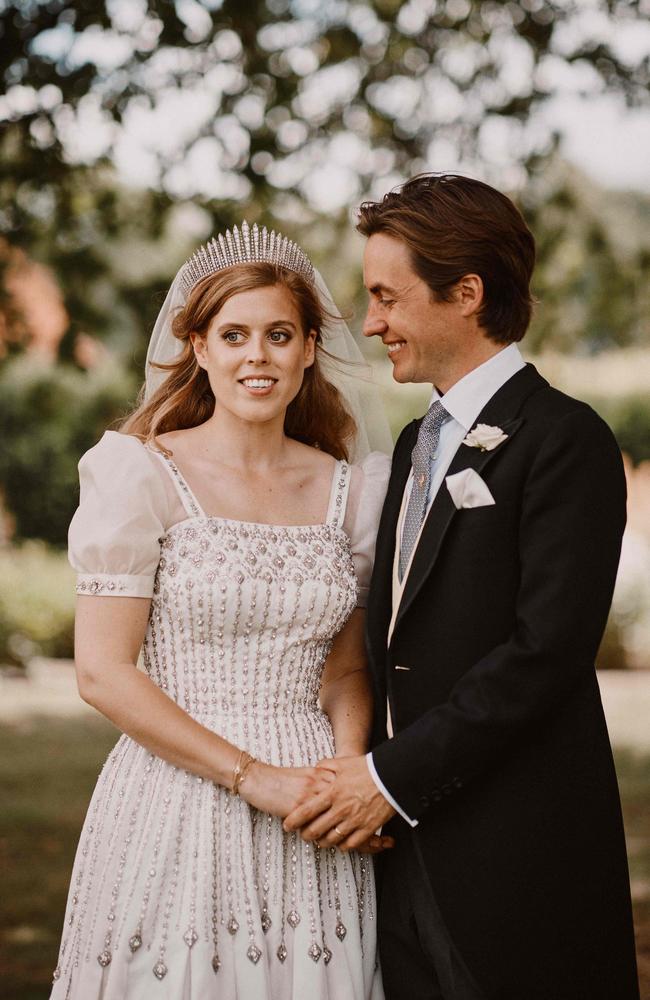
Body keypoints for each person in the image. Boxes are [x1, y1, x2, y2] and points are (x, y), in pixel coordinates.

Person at [284, 175, 640, 1000]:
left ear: (467, 293)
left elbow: (543, 655)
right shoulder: (414, 443)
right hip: (403, 858)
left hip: (518, 858)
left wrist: (389, 780)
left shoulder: (565, 439)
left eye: (386, 296)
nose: (370, 322)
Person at [50, 222, 394, 999]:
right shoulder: (138, 474)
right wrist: (252, 777)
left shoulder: (354, 491)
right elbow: (103, 674)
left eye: (278, 334)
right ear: (199, 348)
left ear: (310, 347)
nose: (257, 356)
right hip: (178, 795)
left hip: (314, 808)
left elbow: (344, 668)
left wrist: (344, 772)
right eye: (233, 335)